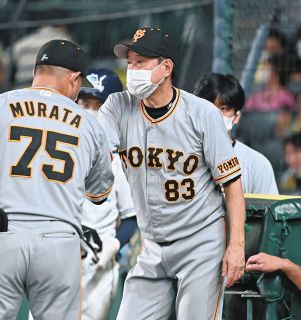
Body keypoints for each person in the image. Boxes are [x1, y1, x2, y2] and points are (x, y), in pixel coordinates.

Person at [99, 27, 245, 320]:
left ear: (166, 67)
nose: (133, 70)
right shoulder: (118, 106)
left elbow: (232, 186)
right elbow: (95, 151)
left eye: (141, 62)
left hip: (200, 243)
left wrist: (236, 245)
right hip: (151, 245)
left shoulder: (202, 114)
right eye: (130, 62)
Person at [0, 39, 114, 320]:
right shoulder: (90, 123)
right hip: (59, 240)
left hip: (5, 234)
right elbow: (99, 193)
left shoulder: (2, 104)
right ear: (74, 78)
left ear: (38, 70)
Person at [77, 68, 137, 320]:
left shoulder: (121, 159)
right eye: (85, 102)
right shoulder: (61, 146)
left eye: (98, 104)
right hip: (59, 254)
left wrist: (112, 246)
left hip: (99, 259)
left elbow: (131, 217)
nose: (90, 110)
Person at [193, 72, 279, 195]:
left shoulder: (257, 165)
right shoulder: (179, 155)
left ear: (237, 116)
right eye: (207, 107)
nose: (214, 115)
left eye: (223, 109)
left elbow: (268, 212)